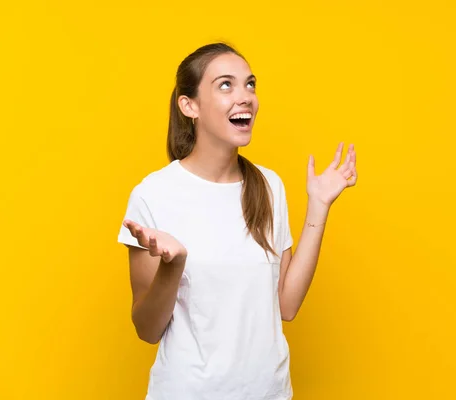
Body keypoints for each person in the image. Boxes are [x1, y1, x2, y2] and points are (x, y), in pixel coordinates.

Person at [117, 42, 358, 400]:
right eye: (225, 85)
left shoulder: (268, 186)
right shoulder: (154, 195)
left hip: (268, 392)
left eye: (250, 84)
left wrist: (318, 206)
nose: (245, 96)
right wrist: (173, 266)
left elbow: (286, 306)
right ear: (190, 105)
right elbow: (147, 330)